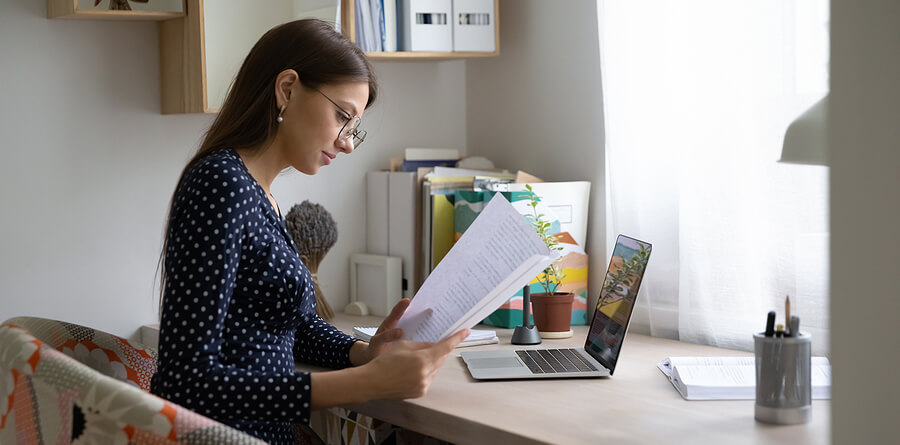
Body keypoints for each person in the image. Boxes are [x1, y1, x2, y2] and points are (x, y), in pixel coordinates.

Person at [150, 19, 468, 444]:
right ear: (287, 89)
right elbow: (187, 382)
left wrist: (364, 354)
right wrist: (368, 384)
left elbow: (289, 327)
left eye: (353, 126)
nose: (347, 143)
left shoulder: (258, 193)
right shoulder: (221, 185)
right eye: (342, 116)